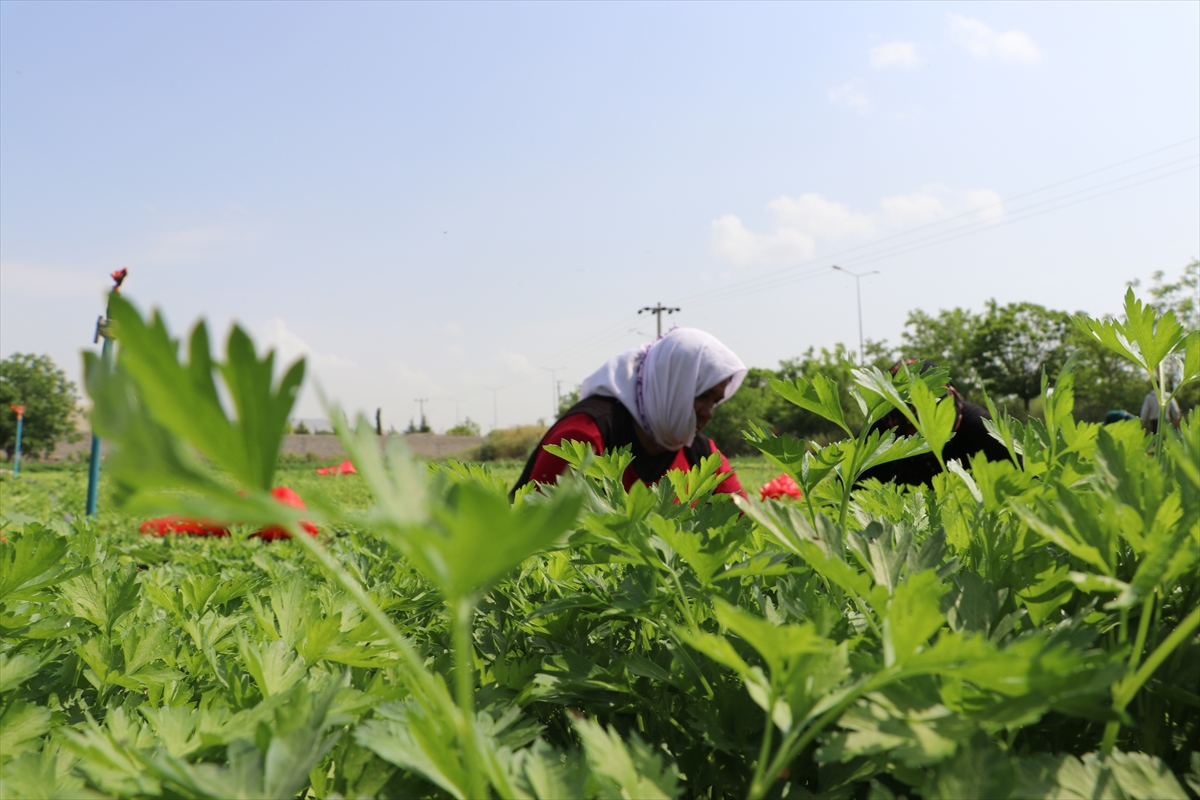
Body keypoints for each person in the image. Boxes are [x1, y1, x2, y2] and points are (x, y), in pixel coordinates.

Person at [512, 328, 748, 498]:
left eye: (716, 401)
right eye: (701, 396)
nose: (709, 413)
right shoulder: (586, 435)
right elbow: (534, 528)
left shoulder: (702, 453)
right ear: (671, 387)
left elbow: (744, 525)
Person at [858, 359, 1011, 487]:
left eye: (934, 421)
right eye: (915, 426)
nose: (926, 433)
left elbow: (1027, 478)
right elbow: (844, 496)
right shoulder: (878, 438)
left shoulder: (981, 429)